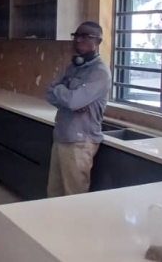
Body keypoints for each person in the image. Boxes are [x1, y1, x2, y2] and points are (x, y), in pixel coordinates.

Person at [45, 21, 111, 197]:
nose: (78, 40)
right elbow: (49, 93)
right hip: (62, 135)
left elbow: (73, 101)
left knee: (73, 195)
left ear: (98, 41)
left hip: (79, 142)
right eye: (76, 35)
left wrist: (63, 93)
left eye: (85, 36)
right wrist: (68, 98)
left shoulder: (99, 73)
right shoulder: (73, 67)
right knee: (54, 193)